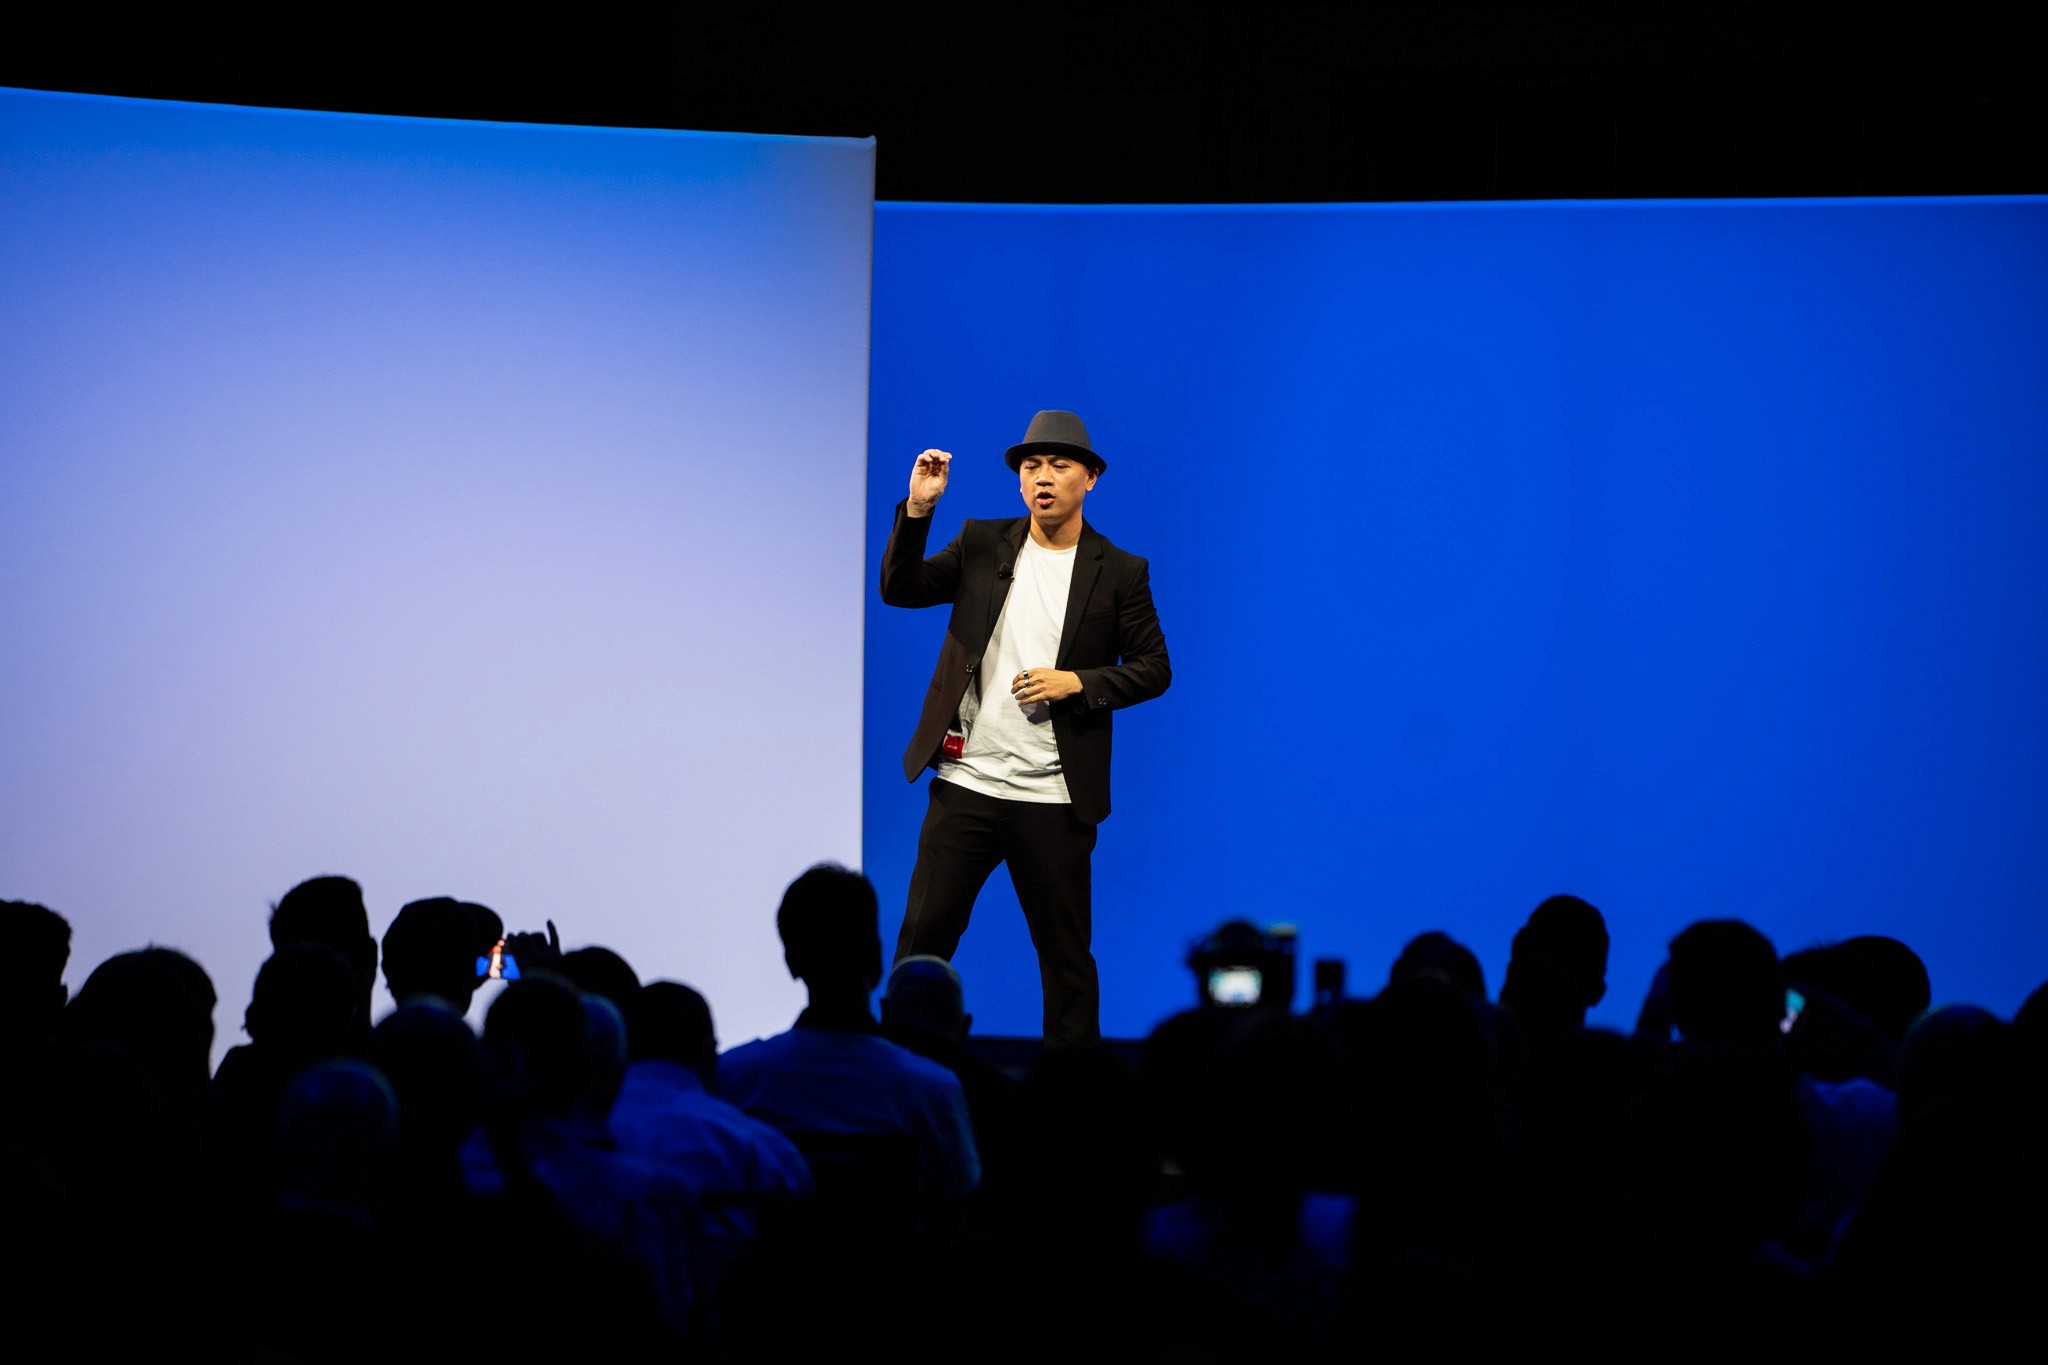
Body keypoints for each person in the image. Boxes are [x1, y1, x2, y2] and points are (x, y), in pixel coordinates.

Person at [879, 409, 1171, 1047]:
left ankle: (1071, 1096)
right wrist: (919, 510)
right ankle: (900, 1076)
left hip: (1053, 796)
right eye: (1031, 466)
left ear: (1090, 478)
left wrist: (1079, 683)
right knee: (920, 947)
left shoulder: (1120, 571)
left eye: (1059, 465)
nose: (1042, 477)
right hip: (967, 783)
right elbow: (901, 589)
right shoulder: (982, 543)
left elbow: (1155, 668)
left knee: (1066, 964)